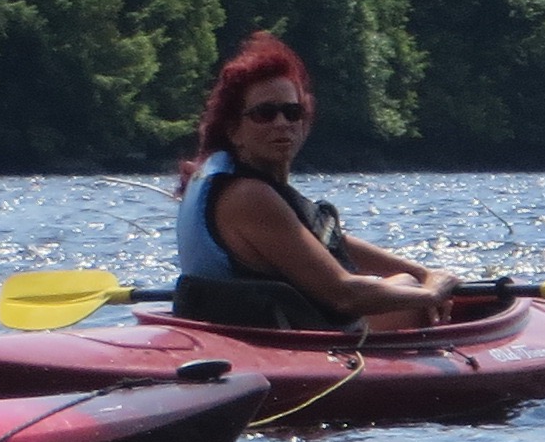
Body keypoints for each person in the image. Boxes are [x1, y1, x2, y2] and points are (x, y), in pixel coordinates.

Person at [169, 35, 468, 329]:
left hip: (264, 331)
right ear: (234, 130)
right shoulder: (248, 196)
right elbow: (344, 295)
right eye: (264, 114)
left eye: (292, 112)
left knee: (407, 281)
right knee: (409, 292)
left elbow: (319, 240)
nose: (282, 123)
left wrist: (421, 271)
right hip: (278, 347)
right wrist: (432, 292)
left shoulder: (248, 187)